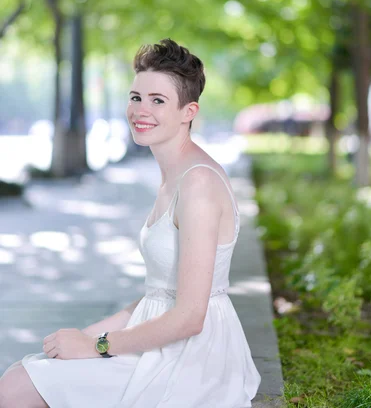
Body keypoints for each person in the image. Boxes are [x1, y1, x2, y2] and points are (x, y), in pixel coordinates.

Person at [0, 38, 261, 407]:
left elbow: (189, 317)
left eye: (158, 101)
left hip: (192, 356)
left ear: (189, 111)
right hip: (157, 335)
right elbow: (159, 293)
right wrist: (83, 336)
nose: (141, 110)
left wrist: (96, 345)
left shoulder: (198, 183)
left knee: (15, 389)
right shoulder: (175, 174)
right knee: (25, 373)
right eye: (136, 97)